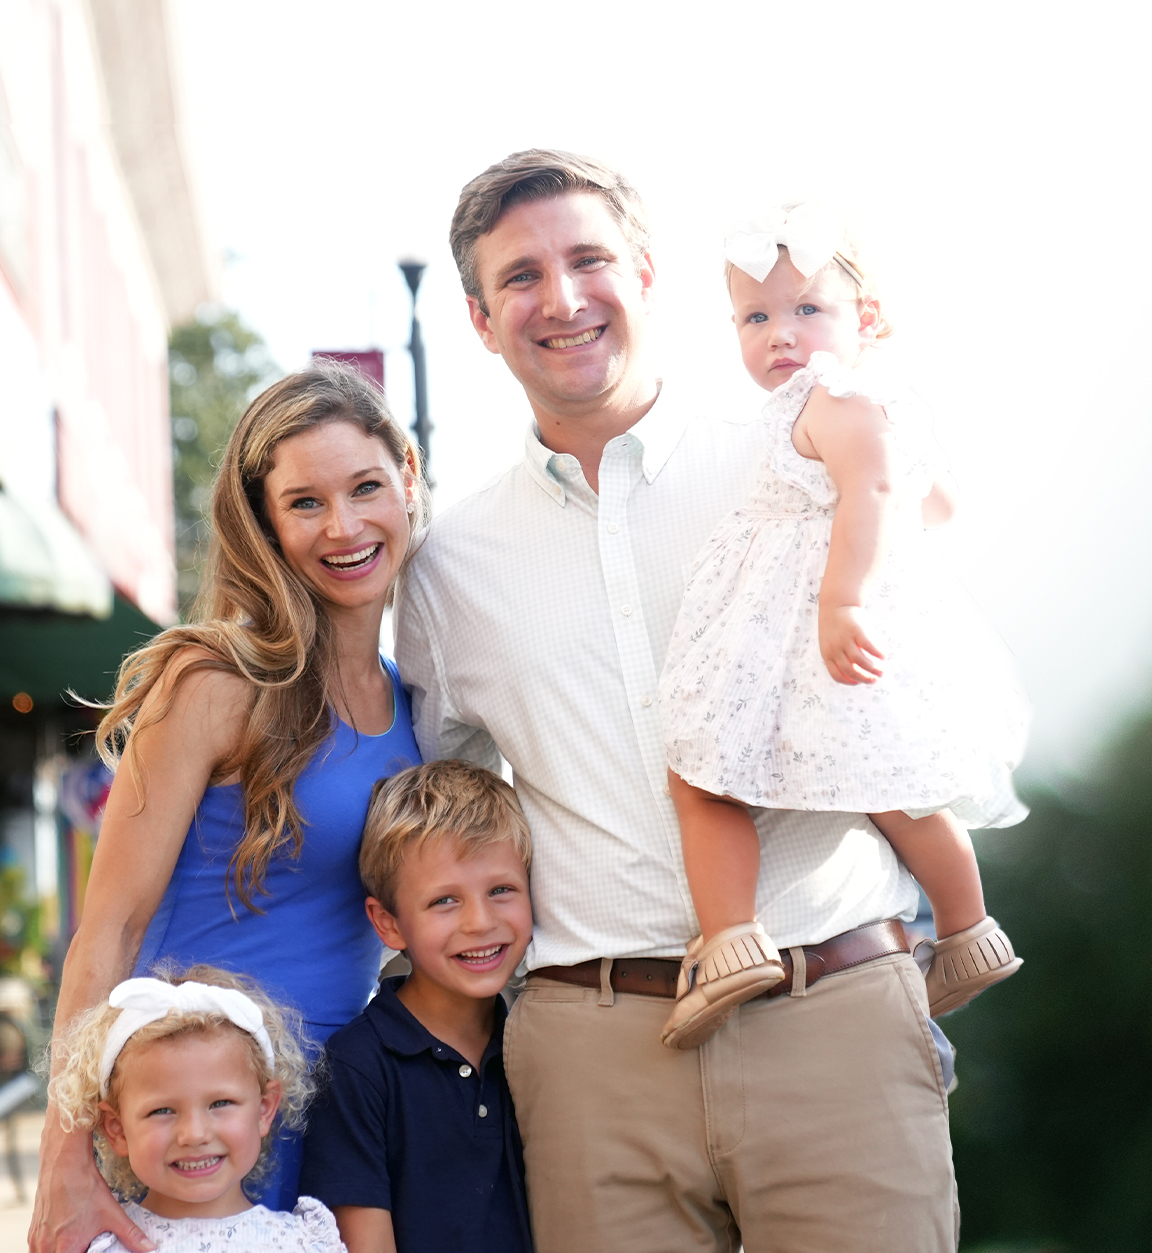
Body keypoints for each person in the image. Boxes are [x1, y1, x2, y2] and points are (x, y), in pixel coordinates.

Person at [398, 150, 960, 1251]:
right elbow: (445, 807)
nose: (561, 299)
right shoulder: (449, 564)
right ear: (477, 317)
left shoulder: (797, 456)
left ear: (647, 275)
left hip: (833, 1003)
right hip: (593, 1050)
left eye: (589, 259)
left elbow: (917, 662)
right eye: (520, 276)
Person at [31, 362, 425, 1253]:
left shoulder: (413, 704)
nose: (345, 525)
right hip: (193, 1119)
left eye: (365, 487)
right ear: (265, 524)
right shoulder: (216, 681)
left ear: (407, 475)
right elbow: (108, 929)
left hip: (332, 1107)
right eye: (305, 502)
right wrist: (64, 1155)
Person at [656, 202, 1029, 1048]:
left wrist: (843, 600)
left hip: (807, 631)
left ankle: (731, 942)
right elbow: (935, 500)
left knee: (702, 767)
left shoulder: (833, 396)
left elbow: (875, 491)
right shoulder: (867, 400)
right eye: (756, 316)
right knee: (890, 789)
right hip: (820, 627)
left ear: (866, 320)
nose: (779, 332)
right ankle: (968, 929)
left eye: (806, 310)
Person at [299, 759, 535, 1253]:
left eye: (501, 890)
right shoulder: (357, 1067)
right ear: (388, 924)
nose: (480, 922)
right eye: (444, 901)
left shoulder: (533, 1044)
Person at [45, 966, 344, 1252]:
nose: (194, 1134)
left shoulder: (304, 1244)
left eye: (220, 1103)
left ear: (264, 1109)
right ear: (117, 1128)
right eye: (162, 1111)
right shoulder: (94, 1245)